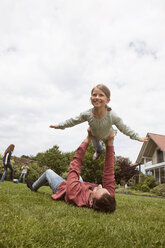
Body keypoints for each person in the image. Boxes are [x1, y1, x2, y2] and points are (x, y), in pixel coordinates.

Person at [49, 84, 148, 161]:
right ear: (91, 98)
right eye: (94, 95)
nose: (97, 97)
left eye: (101, 95)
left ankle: (111, 154)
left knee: (110, 150)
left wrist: (137, 137)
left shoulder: (112, 115)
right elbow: (73, 121)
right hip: (95, 136)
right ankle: (99, 151)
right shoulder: (87, 114)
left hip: (108, 135)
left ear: (107, 100)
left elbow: (124, 127)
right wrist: (59, 125)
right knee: (98, 148)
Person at [27, 129, 116, 213]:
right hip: (80, 186)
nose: (100, 185)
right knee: (79, 178)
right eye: (103, 188)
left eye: (97, 189)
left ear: (91, 202)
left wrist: (88, 138)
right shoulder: (107, 196)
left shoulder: (74, 194)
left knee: (48, 172)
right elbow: (109, 172)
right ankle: (73, 182)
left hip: (62, 188)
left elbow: (75, 165)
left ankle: (33, 187)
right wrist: (110, 143)